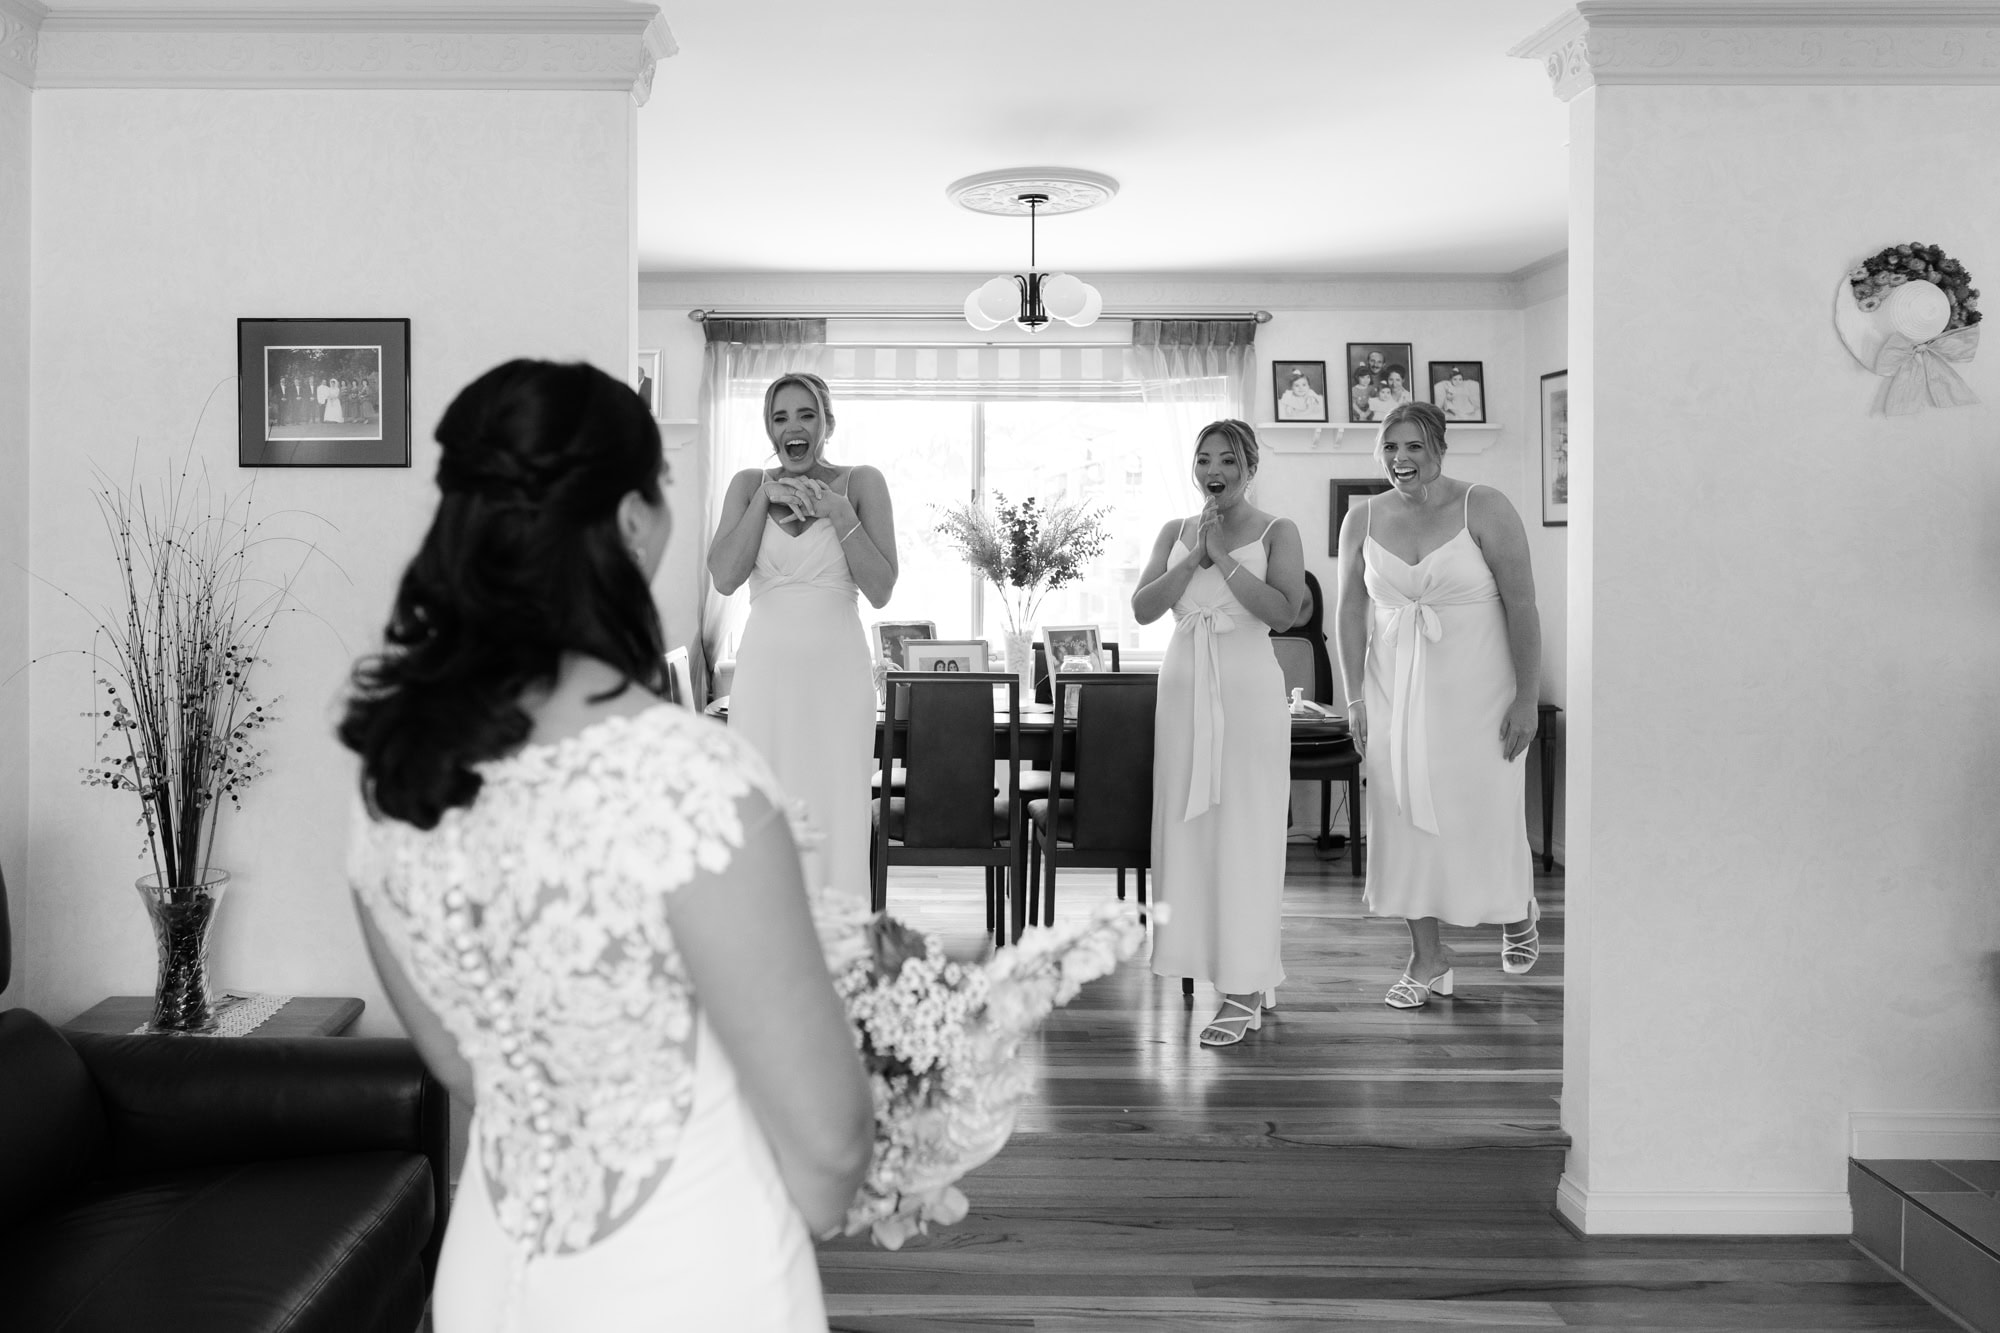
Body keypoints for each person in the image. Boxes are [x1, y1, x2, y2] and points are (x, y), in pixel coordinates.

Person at [340, 360, 871, 1332]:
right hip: (693, 1279)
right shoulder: (690, 781)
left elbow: (470, 1070)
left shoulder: (391, 779)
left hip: (486, 1271)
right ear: (632, 521)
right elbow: (831, 1157)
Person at [1332, 400, 1541, 1009]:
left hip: (1480, 687)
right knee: (1403, 816)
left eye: (1415, 446)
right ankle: (1429, 958)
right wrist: (1352, 697)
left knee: (1484, 806)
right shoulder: (1361, 520)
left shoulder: (1486, 505)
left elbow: (1523, 606)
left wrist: (1527, 697)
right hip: (1393, 688)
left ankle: (1516, 907)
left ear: (1440, 449)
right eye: (1391, 447)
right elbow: (1350, 610)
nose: (1401, 459)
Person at [1132, 419, 1309, 1046]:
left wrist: (1225, 561)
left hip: (1247, 696)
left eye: (1228, 460)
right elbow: (1143, 607)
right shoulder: (1174, 532)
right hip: (1181, 692)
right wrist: (1195, 558)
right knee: (1190, 832)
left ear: (1249, 467)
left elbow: (1286, 613)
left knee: (1245, 833)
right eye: (1205, 459)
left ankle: (1245, 985)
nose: (1215, 470)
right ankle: (1215, 969)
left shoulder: (1277, 531)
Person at [708, 372, 896, 904]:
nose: (793, 426)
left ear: (827, 423)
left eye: (806, 414)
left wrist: (839, 514)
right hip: (764, 679)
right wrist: (762, 500)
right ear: (769, 428)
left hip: (838, 679)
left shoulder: (862, 483)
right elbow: (725, 577)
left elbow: (880, 590)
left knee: (838, 803)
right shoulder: (748, 484)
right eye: (779, 416)